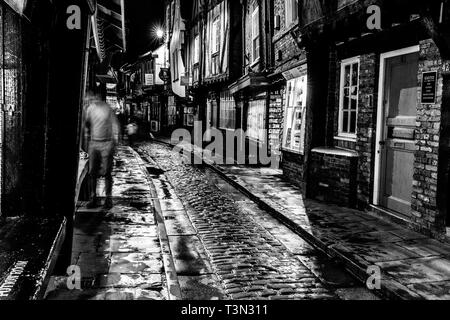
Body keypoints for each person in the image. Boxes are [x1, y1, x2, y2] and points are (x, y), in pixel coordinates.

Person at [84, 92, 120, 210]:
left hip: (106, 143)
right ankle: (93, 198)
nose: (93, 99)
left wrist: (114, 142)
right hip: (94, 143)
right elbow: (87, 124)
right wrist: (87, 139)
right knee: (92, 172)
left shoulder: (107, 109)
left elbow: (115, 125)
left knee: (107, 172)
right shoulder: (90, 109)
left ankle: (108, 199)